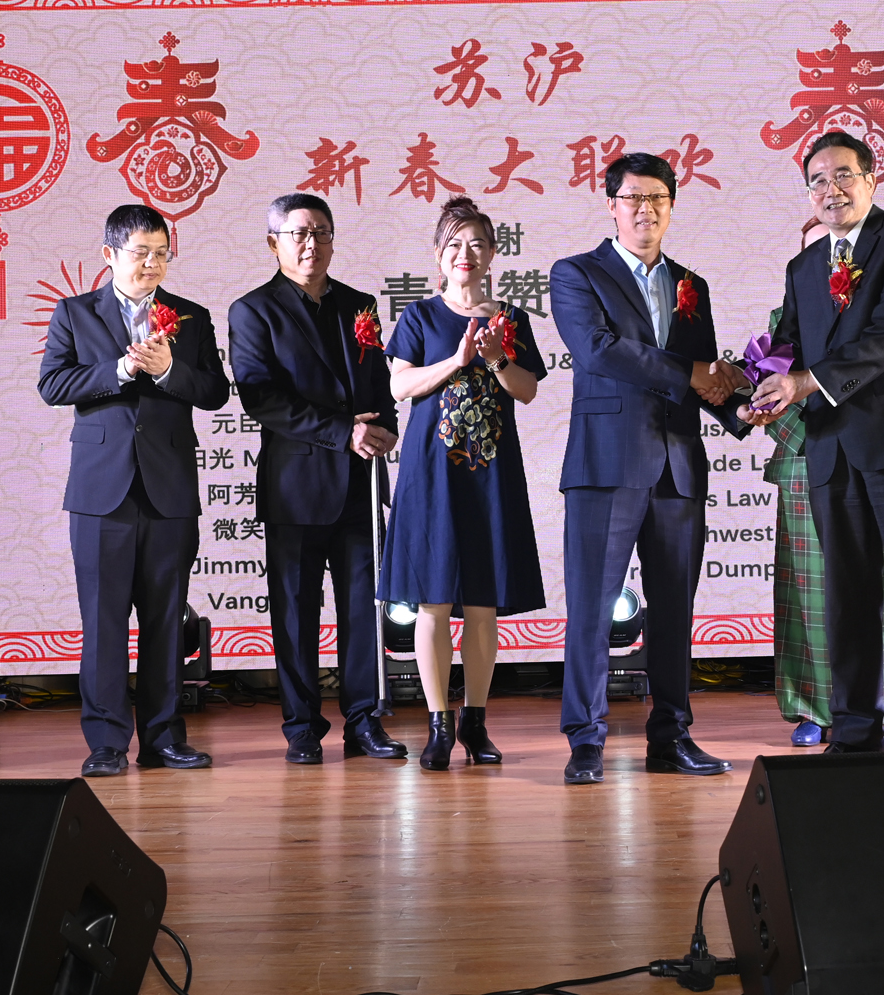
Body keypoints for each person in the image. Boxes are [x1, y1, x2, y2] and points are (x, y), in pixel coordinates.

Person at [747, 130, 884, 753]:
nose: (831, 189)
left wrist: (803, 382)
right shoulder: (803, 267)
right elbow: (788, 347)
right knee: (847, 596)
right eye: (817, 180)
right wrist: (753, 391)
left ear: (872, 178)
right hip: (831, 447)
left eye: (843, 174)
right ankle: (853, 730)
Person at [549, 151, 752, 786]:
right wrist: (694, 373)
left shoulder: (692, 284)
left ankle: (671, 736)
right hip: (606, 465)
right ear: (611, 206)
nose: (645, 210)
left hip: (678, 466)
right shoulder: (576, 273)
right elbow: (599, 351)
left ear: (671, 206)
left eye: (657, 198)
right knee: (592, 609)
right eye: (633, 198)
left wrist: (745, 409)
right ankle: (586, 740)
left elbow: (704, 376)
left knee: (673, 612)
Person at [38, 204, 231, 777]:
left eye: (161, 253)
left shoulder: (191, 317)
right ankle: (105, 742)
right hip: (101, 492)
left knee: (167, 619)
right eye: (141, 253)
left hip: (169, 488)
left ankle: (164, 738)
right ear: (109, 254)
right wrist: (120, 371)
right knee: (103, 622)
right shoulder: (75, 313)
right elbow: (53, 384)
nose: (152, 263)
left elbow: (215, 392)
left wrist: (170, 369)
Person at [230, 193, 407, 765]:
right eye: (300, 234)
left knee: (363, 610)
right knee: (296, 613)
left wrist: (386, 428)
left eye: (322, 233)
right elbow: (262, 397)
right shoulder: (253, 311)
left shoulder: (359, 304)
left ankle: (364, 722)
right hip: (296, 488)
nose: (312, 244)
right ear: (274, 243)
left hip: (360, 483)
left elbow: (377, 382)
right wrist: (341, 431)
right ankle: (302, 727)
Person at [380, 197, 547, 770]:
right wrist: (456, 360)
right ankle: (438, 725)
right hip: (432, 477)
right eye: (453, 244)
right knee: (432, 600)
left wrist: (497, 358)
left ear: (494, 251)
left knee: (482, 604)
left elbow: (526, 390)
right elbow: (400, 387)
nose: (465, 254)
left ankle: (476, 721)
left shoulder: (511, 319)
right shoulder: (420, 317)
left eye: (476, 243)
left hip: (490, 475)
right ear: (437, 254)